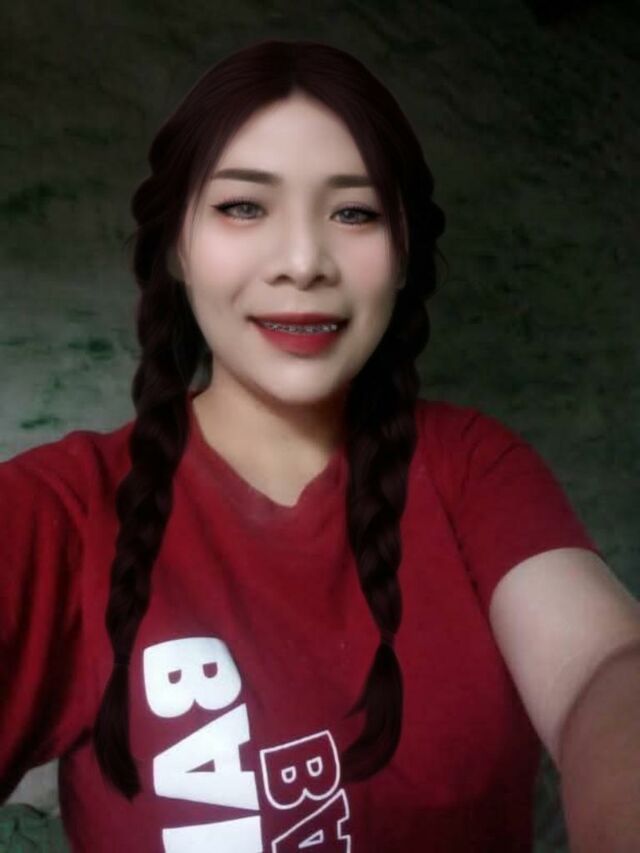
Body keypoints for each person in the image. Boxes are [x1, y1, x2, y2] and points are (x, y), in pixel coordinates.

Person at [1, 38, 639, 853]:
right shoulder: (59, 514)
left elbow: (603, 670)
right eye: (243, 206)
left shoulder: (475, 468)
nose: (303, 263)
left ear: (402, 254)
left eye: (354, 212)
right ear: (176, 246)